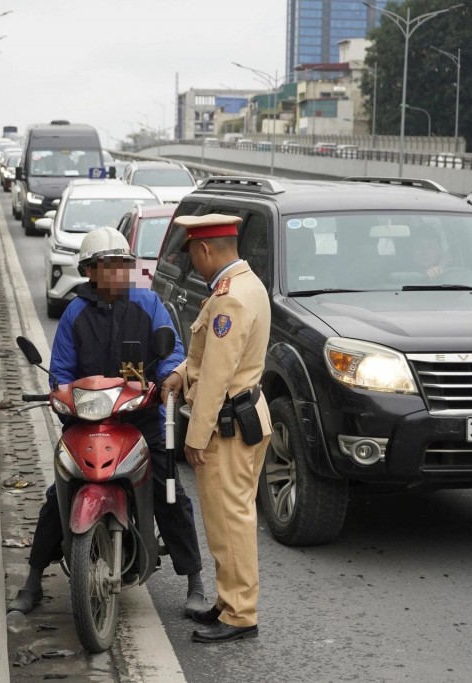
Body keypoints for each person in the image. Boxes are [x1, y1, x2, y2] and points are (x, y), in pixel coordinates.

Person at [7, 227, 207, 617]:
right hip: (88, 420)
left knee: (171, 492)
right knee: (58, 493)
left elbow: (172, 352)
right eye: (108, 266)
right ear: (90, 271)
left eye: (122, 265)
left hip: (142, 417)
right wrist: (59, 394)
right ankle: (32, 579)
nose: (117, 273)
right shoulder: (74, 314)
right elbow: (60, 371)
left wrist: (167, 379)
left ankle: (195, 580)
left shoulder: (149, 305)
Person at [160, 214, 272, 645]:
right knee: (229, 520)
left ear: (205, 250)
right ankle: (230, 601)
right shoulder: (247, 285)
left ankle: (240, 614)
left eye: (192, 252)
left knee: (230, 523)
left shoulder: (229, 300)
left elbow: (216, 378)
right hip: (243, 415)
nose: (192, 260)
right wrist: (181, 372)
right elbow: (211, 359)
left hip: (226, 425)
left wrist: (194, 436)